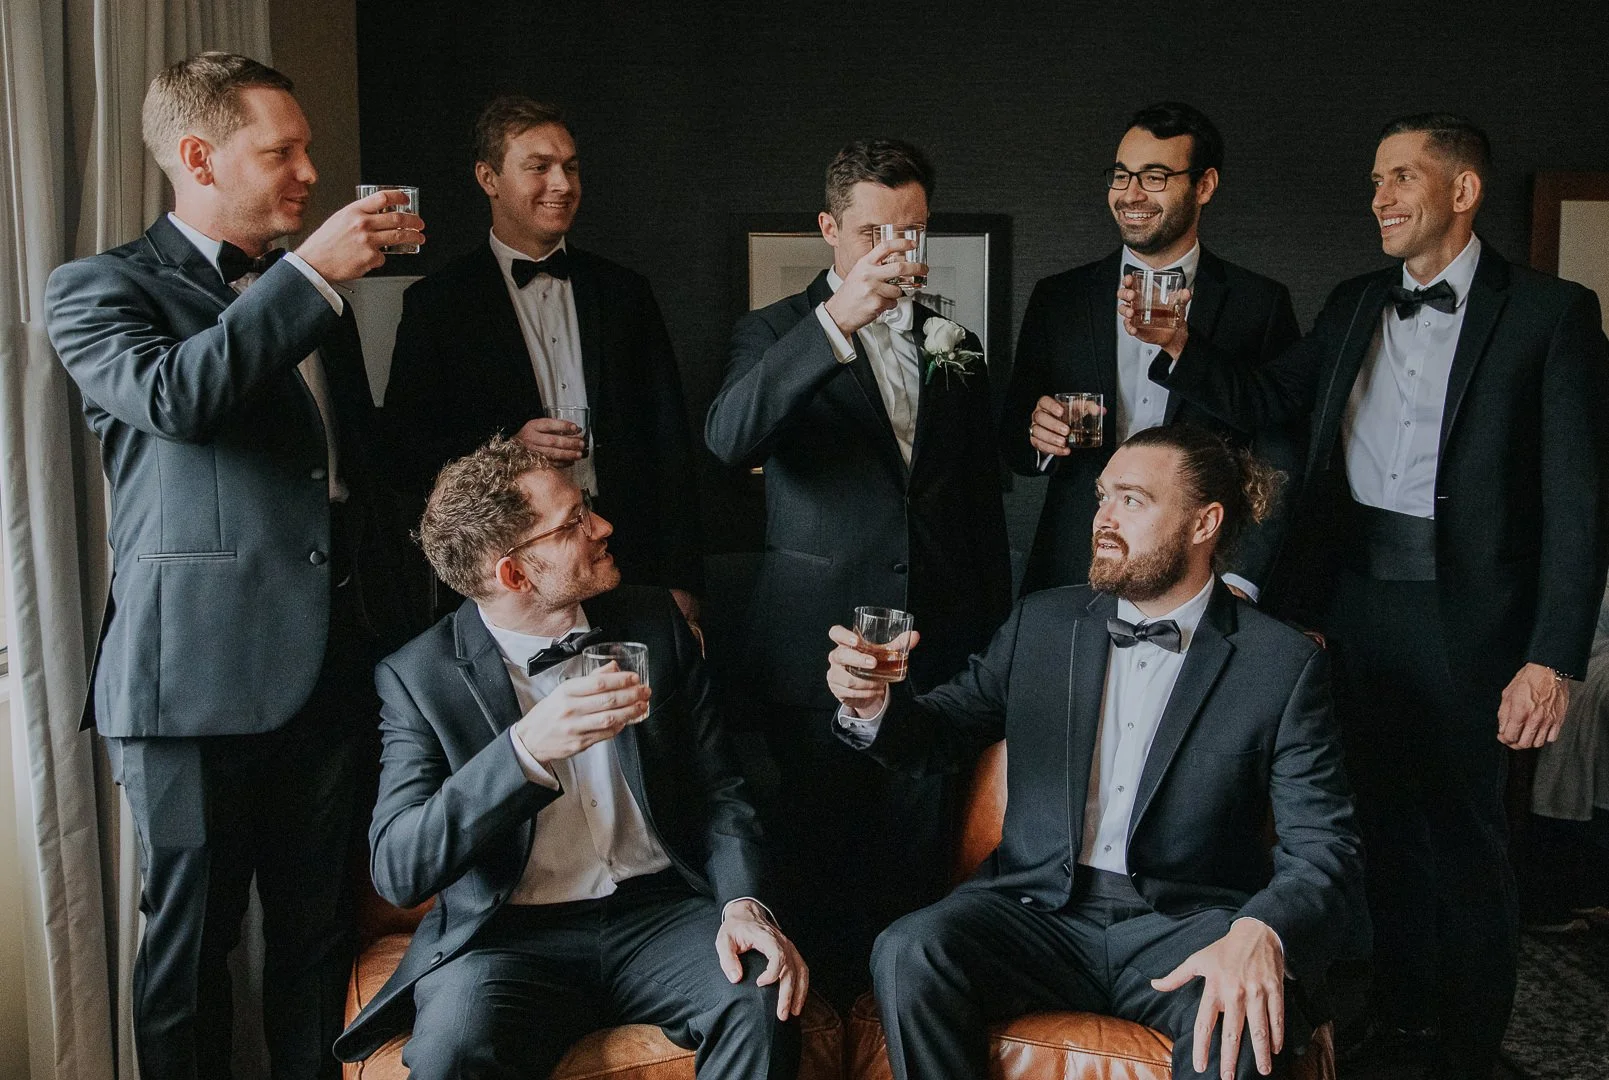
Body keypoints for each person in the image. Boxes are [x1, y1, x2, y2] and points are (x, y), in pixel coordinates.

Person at [1139, 113, 1609, 1076]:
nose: (1378, 198)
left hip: (1467, 618)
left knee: (1466, 838)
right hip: (1347, 607)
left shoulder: (1550, 314)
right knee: (1372, 828)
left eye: (1399, 177)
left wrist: (1553, 657)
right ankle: (1397, 1021)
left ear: (1462, 191)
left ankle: (1469, 1047)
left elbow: (1579, 501)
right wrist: (1180, 348)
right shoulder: (1354, 302)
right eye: (1374, 180)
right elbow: (1271, 399)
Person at [44, 52, 422, 1079]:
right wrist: (310, 279)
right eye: (282, 151)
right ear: (200, 157)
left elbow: (349, 470)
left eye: (308, 149)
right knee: (188, 949)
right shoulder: (98, 287)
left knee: (316, 940)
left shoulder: (312, 293)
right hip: (188, 683)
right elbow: (176, 400)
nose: (309, 172)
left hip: (332, 665)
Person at [827, 425, 1363, 1080]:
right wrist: (871, 705)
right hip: (1035, 913)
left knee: (1241, 1017)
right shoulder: (1042, 623)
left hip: (1185, 926)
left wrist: (1262, 932)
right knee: (908, 951)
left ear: (1204, 523)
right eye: (1102, 497)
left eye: (1132, 501)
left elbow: (1324, 846)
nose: (1103, 519)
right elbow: (938, 734)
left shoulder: (1279, 662)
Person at [334, 437, 805, 1079]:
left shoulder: (653, 621)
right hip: (508, 940)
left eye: (588, 508)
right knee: (451, 1052)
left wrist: (743, 904)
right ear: (514, 574)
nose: (602, 527)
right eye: (574, 522)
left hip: (658, 915)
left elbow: (721, 789)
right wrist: (524, 752)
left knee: (762, 996)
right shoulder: (419, 678)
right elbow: (398, 868)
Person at [705, 137, 1011, 1004]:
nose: (893, 251)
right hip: (815, 652)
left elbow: (975, 502)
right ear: (829, 229)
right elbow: (728, 438)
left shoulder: (953, 341)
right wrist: (836, 322)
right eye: (874, 232)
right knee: (816, 864)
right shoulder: (773, 332)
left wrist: (993, 640)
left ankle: (896, 1029)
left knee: (920, 868)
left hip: (936, 652)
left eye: (910, 233)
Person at [383, 94, 702, 627]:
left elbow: (670, 446)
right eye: (539, 167)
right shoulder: (437, 305)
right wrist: (508, 449)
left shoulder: (626, 293)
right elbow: (405, 450)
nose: (563, 184)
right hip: (507, 575)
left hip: (629, 560)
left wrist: (682, 580)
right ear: (488, 177)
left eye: (570, 167)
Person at [1002, 101, 1301, 598]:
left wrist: (1242, 578)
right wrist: (1037, 435)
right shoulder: (1059, 298)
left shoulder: (1259, 303)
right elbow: (1013, 439)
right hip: (1073, 565)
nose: (1131, 194)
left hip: (1204, 568)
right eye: (1121, 176)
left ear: (1204, 186)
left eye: (1155, 177)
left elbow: (1281, 453)